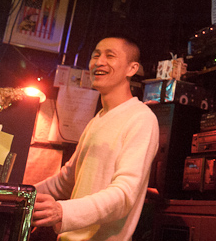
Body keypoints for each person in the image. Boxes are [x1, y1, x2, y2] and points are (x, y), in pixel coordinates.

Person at [32, 36, 159, 241]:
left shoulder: (141, 118)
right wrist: (21, 194)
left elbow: (124, 195)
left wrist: (62, 212)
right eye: (96, 55)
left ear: (132, 68)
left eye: (110, 56)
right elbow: (66, 181)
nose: (99, 62)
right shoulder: (97, 120)